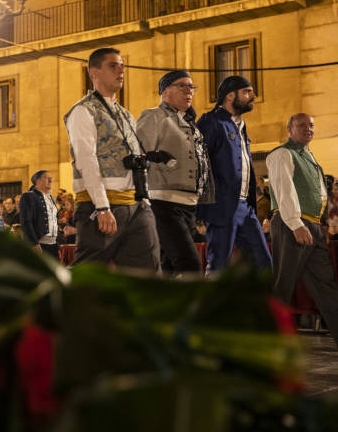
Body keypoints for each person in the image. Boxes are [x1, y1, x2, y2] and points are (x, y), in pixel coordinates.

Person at [63, 47, 160, 270]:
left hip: (137, 205)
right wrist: (102, 207)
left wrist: (144, 200)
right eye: (113, 65)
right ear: (93, 72)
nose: (121, 70)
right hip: (102, 206)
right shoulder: (82, 111)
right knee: (88, 276)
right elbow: (86, 160)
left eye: (122, 66)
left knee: (148, 273)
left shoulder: (125, 114)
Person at [266, 113, 338, 346]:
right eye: (302, 125)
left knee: (325, 286)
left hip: (313, 226)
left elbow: (319, 193)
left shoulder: (308, 155)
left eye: (312, 125)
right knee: (283, 284)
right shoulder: (281, 154)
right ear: (289, 128)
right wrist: (296, 223)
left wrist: (321, 225)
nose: (308, 129)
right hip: (292, 225)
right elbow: (284, 189)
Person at [136, 70, 213, 276]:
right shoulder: (154, 116)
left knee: (169, 265)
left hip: (189, 204)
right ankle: (191, 308)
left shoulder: (190, 125)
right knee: (189, 264)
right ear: (165, 91)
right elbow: (138, 155)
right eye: (182, 86)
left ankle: (164, 307)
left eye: (191, 87)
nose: (189, 91)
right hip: (162, 202)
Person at [196, 75, 272, 273]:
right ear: (230, 95)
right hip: (221, 206)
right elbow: (198, 163)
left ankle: (257, 304)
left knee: (263, 264)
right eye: (247, 91)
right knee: (219, 265)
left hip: (246, 207)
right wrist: (204, 205)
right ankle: (211, 304)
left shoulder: (241, 125)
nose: (253, 96)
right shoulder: (211, 121)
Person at [19, 170, 59, 258]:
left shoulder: (51, 198)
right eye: (46, 177)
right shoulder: (28, 196)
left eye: (51, 178)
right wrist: (33, 243)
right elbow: (26, 221)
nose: (50, 180)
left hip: (53, 245)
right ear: (38, 181)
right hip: (39, 245)